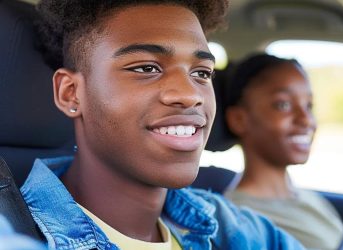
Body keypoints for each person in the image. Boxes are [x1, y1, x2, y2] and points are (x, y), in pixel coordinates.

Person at [12, 1, 306, 250]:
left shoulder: (225, 225)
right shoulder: (16, 233)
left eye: (202, 73)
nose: (190, 94)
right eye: (146, 68)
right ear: (71, 93)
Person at [224, 53, 343, 250]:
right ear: (238, 119)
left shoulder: (309, 198)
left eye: (309, 105)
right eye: (283, 105)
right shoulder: (239, 220)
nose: (306, 120)